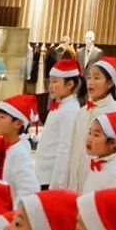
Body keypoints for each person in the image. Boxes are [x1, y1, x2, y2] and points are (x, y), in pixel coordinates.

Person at [69, 58, 116, 193]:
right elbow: (72, 148)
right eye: (89, 77)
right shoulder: (82, 112)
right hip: (75, 182)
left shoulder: (114, 112)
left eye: (97, 78)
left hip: (100, 181)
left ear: (110, 83)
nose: (91, 82)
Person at [34, 54, 84, 188]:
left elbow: (64, 149)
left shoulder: (70, 109)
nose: (50, 86)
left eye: (55, 82)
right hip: (43, 175)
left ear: (70, 84)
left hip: (50, 178)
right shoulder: (60, 105)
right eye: (50, 81)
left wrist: (56, 185)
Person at [0, 93, 41, 207]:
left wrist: (15, 213)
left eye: (2, 117)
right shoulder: (4, 146)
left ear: (18, 123)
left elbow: (29, 189)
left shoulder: (19, 152)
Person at [81, 109, 116, 193]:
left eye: (96, 135)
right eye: (90, 133)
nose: (89, 139)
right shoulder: (97, 163)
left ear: (113, 143)